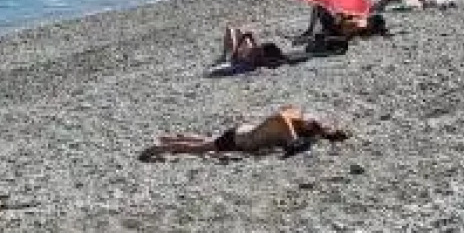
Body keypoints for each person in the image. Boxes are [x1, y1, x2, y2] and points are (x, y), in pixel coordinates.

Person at [138, 107, 350, 161]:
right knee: (199, 149)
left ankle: (173, 139)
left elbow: (316, 130)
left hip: (242, 134)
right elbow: (281, 117)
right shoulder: (287, 122)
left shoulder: (295, 120)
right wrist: (292, 139)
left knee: (207, 142)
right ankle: (163, 148)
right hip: (240, 139)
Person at [216, 26, 289, 70]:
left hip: (242, 52)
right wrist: (236, 49)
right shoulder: (256, 50)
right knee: (230, 31)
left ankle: (225, 55)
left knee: (230, 31)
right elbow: (248, 34)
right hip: (242, 50)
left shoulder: (257, 57)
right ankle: (225, 55)